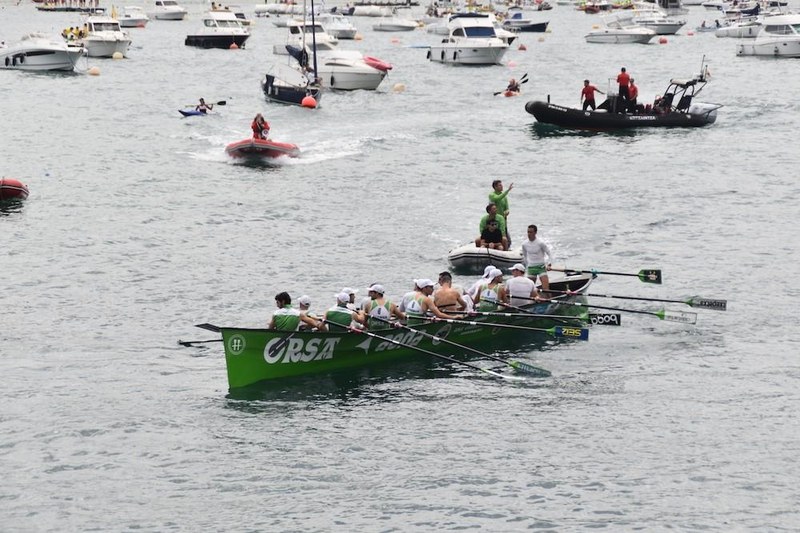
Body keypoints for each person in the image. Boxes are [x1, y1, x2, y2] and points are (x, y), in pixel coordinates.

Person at [522, 224, 554, 292]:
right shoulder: (524, 244)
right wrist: (526, 267)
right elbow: (525, 257)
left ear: (535, 233)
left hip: (541, 267)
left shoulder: (540, 243)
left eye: (531, 232)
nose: (529, 234)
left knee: (546, 289)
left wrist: (549, 264)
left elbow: (549, 253)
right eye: (528, 232)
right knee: (529, 290)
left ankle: (548, 298)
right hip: (531, 268)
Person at [489, 180, 514, 244]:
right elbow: (498, 198)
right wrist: (508, 190)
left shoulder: (504, 197)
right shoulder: (492, 195)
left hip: (503, 219)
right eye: (500, 185)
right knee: (496, 236)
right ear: (495, 187)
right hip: (494, 219)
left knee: (508, 240)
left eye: (501, 185)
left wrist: (507, 212)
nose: (502, 186)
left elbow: (507, 208)